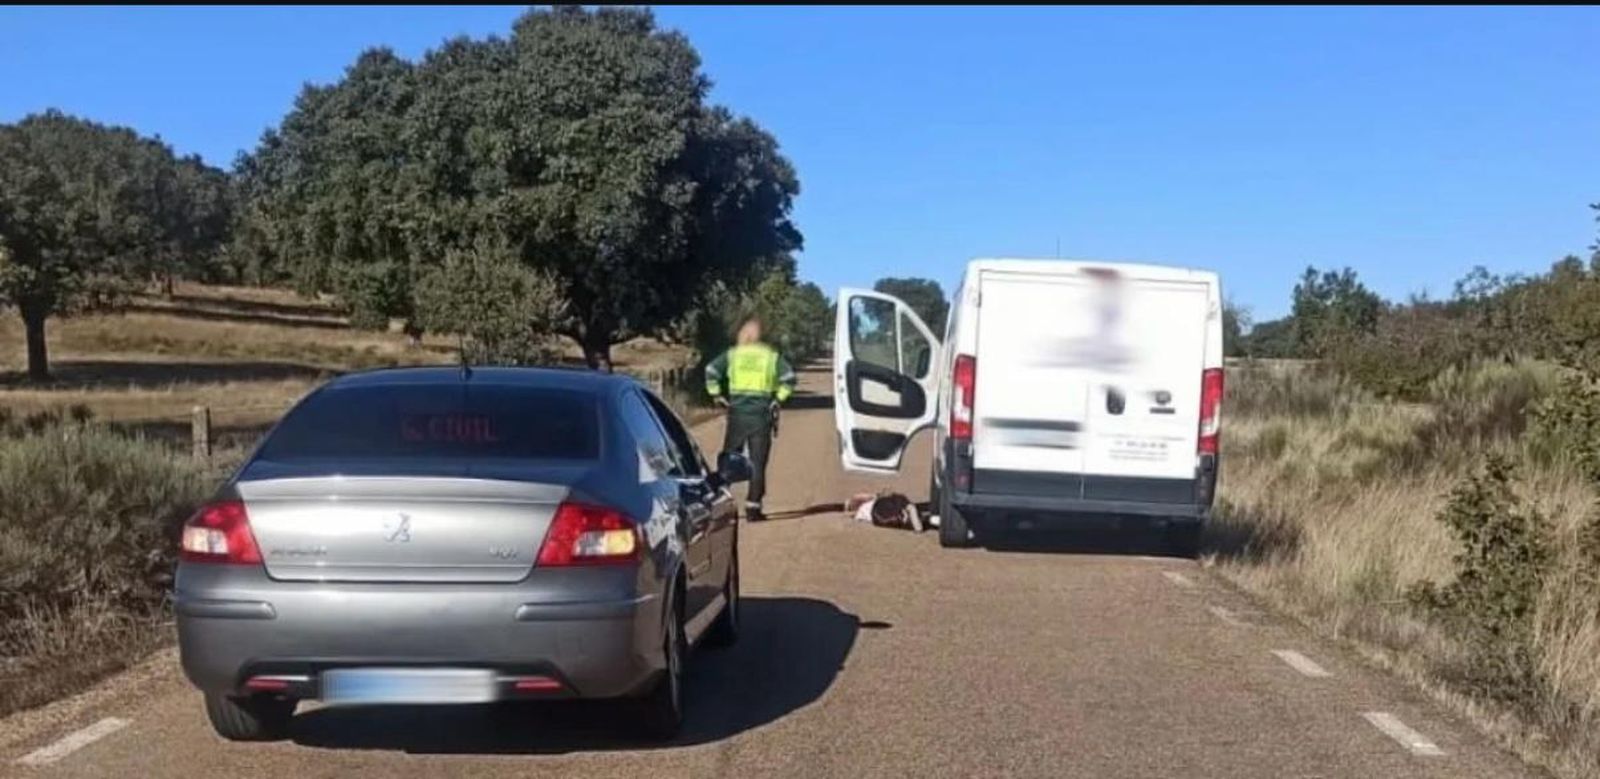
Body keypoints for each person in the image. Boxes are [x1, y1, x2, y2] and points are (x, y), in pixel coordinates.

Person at [704, 315, 796, 522]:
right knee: (757, 463)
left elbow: (710, 370)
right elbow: (789, 379)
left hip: (737, 412)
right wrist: (777, 400)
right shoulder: (770, 356)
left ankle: (719, 504)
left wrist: (717, 395)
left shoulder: (733, 355)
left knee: (729, 460)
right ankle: (753, 508)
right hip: (761, 415)